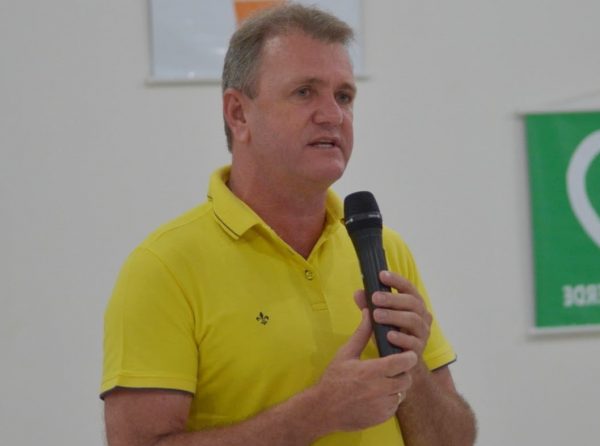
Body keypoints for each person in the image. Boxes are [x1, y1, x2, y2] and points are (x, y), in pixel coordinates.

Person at [101, 3, 477, 445]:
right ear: (238, 114)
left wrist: (412, 370)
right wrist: (316, 413)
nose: (333, 115)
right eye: (304, 92)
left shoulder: (384, 251)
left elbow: (454, 440)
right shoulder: (164, 268)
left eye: (344, 96)